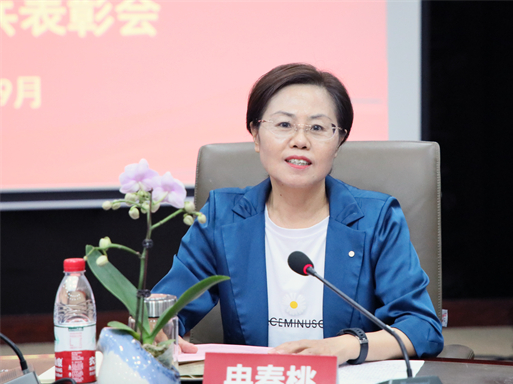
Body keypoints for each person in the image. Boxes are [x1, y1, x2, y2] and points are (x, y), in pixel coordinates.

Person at [153, 63, 443, 364]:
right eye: (284, 124)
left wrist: (346, 347)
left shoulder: (376, 219)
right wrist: (157, 326)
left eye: (317, 128)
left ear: (339, 142)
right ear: (256, 135)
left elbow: (422, 328)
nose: (300, 141)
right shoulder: (222, 217)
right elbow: (166, 312)